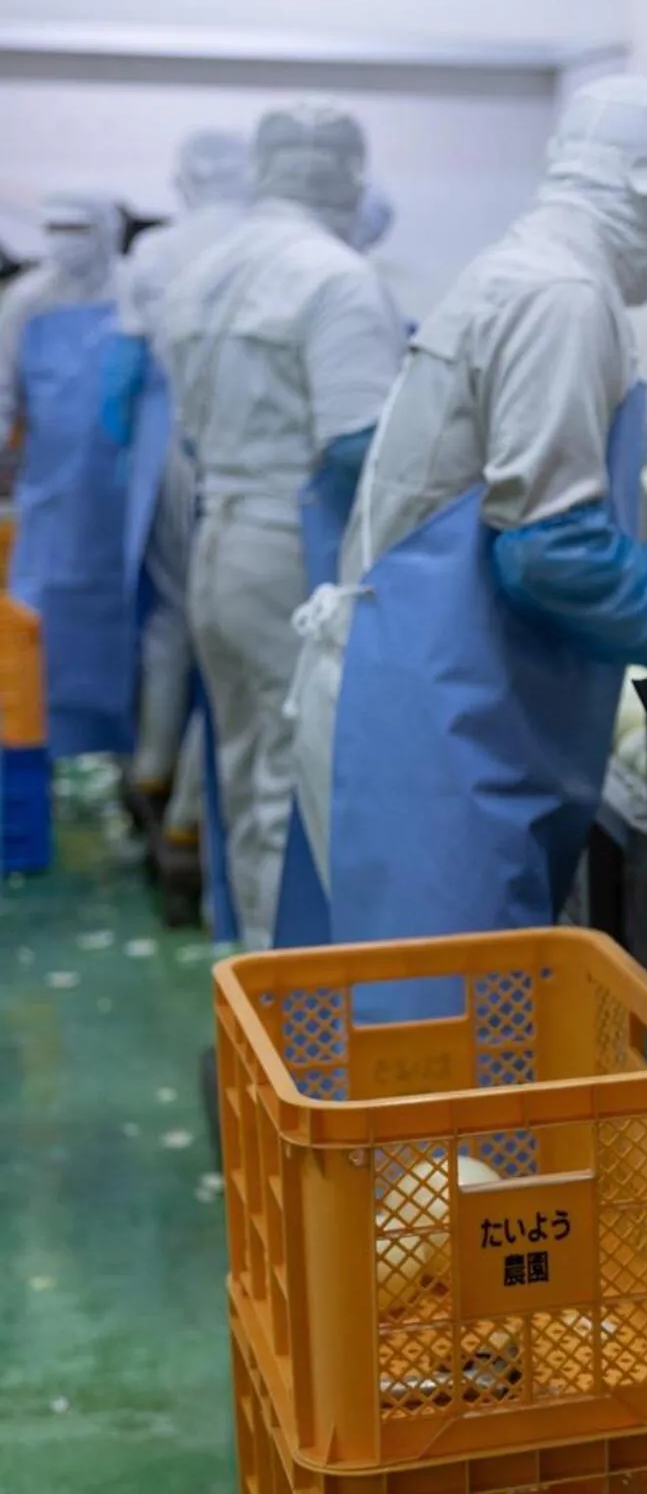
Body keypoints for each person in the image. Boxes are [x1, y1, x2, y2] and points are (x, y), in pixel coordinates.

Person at [278, 76, 647, 992]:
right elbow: (549, 551)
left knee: (438, 1035)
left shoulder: (534, 272)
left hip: (437, 706)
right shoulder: (561, 296)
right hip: (430, 734)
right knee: (442, 1054)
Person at [158, 103, 406, 948]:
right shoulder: (334, 277)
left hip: (217, 539)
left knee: (243, 773)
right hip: (286, 554)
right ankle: (289, 1008)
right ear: (349, 172)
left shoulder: (203, 271)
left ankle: (254, 986)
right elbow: (356, 445)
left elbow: (189, 427)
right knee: (291, 786)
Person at [101, 129, 250, 920]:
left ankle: (156, 774)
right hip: (243, 458)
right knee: (233, 649)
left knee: (172, 624)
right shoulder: (274, 246)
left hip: (170, 448)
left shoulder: (156, 250)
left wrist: (130, 455)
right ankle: (191, 815)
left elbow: (119, 381)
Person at [0, 195, 133, 757]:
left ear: (106, 230)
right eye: (54, 227)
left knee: (122, 623)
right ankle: (43, 749)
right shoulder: (25, 301)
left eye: (78, 227)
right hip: (51, 491)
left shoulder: (136, 294)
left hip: (125, 494)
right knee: (43, 617)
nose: (64, 238)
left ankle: (119, 757)